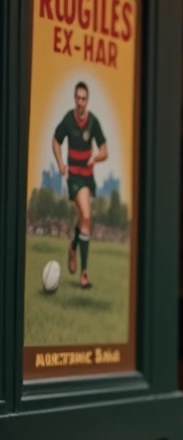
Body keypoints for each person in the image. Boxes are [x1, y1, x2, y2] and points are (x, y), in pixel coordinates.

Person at [52, 81, 107, 289]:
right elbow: (56, 141)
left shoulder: (93, 123)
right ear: (75, 99)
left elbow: (104, 151)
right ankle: (84, 274)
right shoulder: (68, 119)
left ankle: (73, 246)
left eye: (84, 99)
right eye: (78, 98)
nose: (80, 102)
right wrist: (60, 165)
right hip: (74, 176)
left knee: (84, 219)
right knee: (86, 216)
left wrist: (97, 157)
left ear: (87, 100)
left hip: (88, 177)